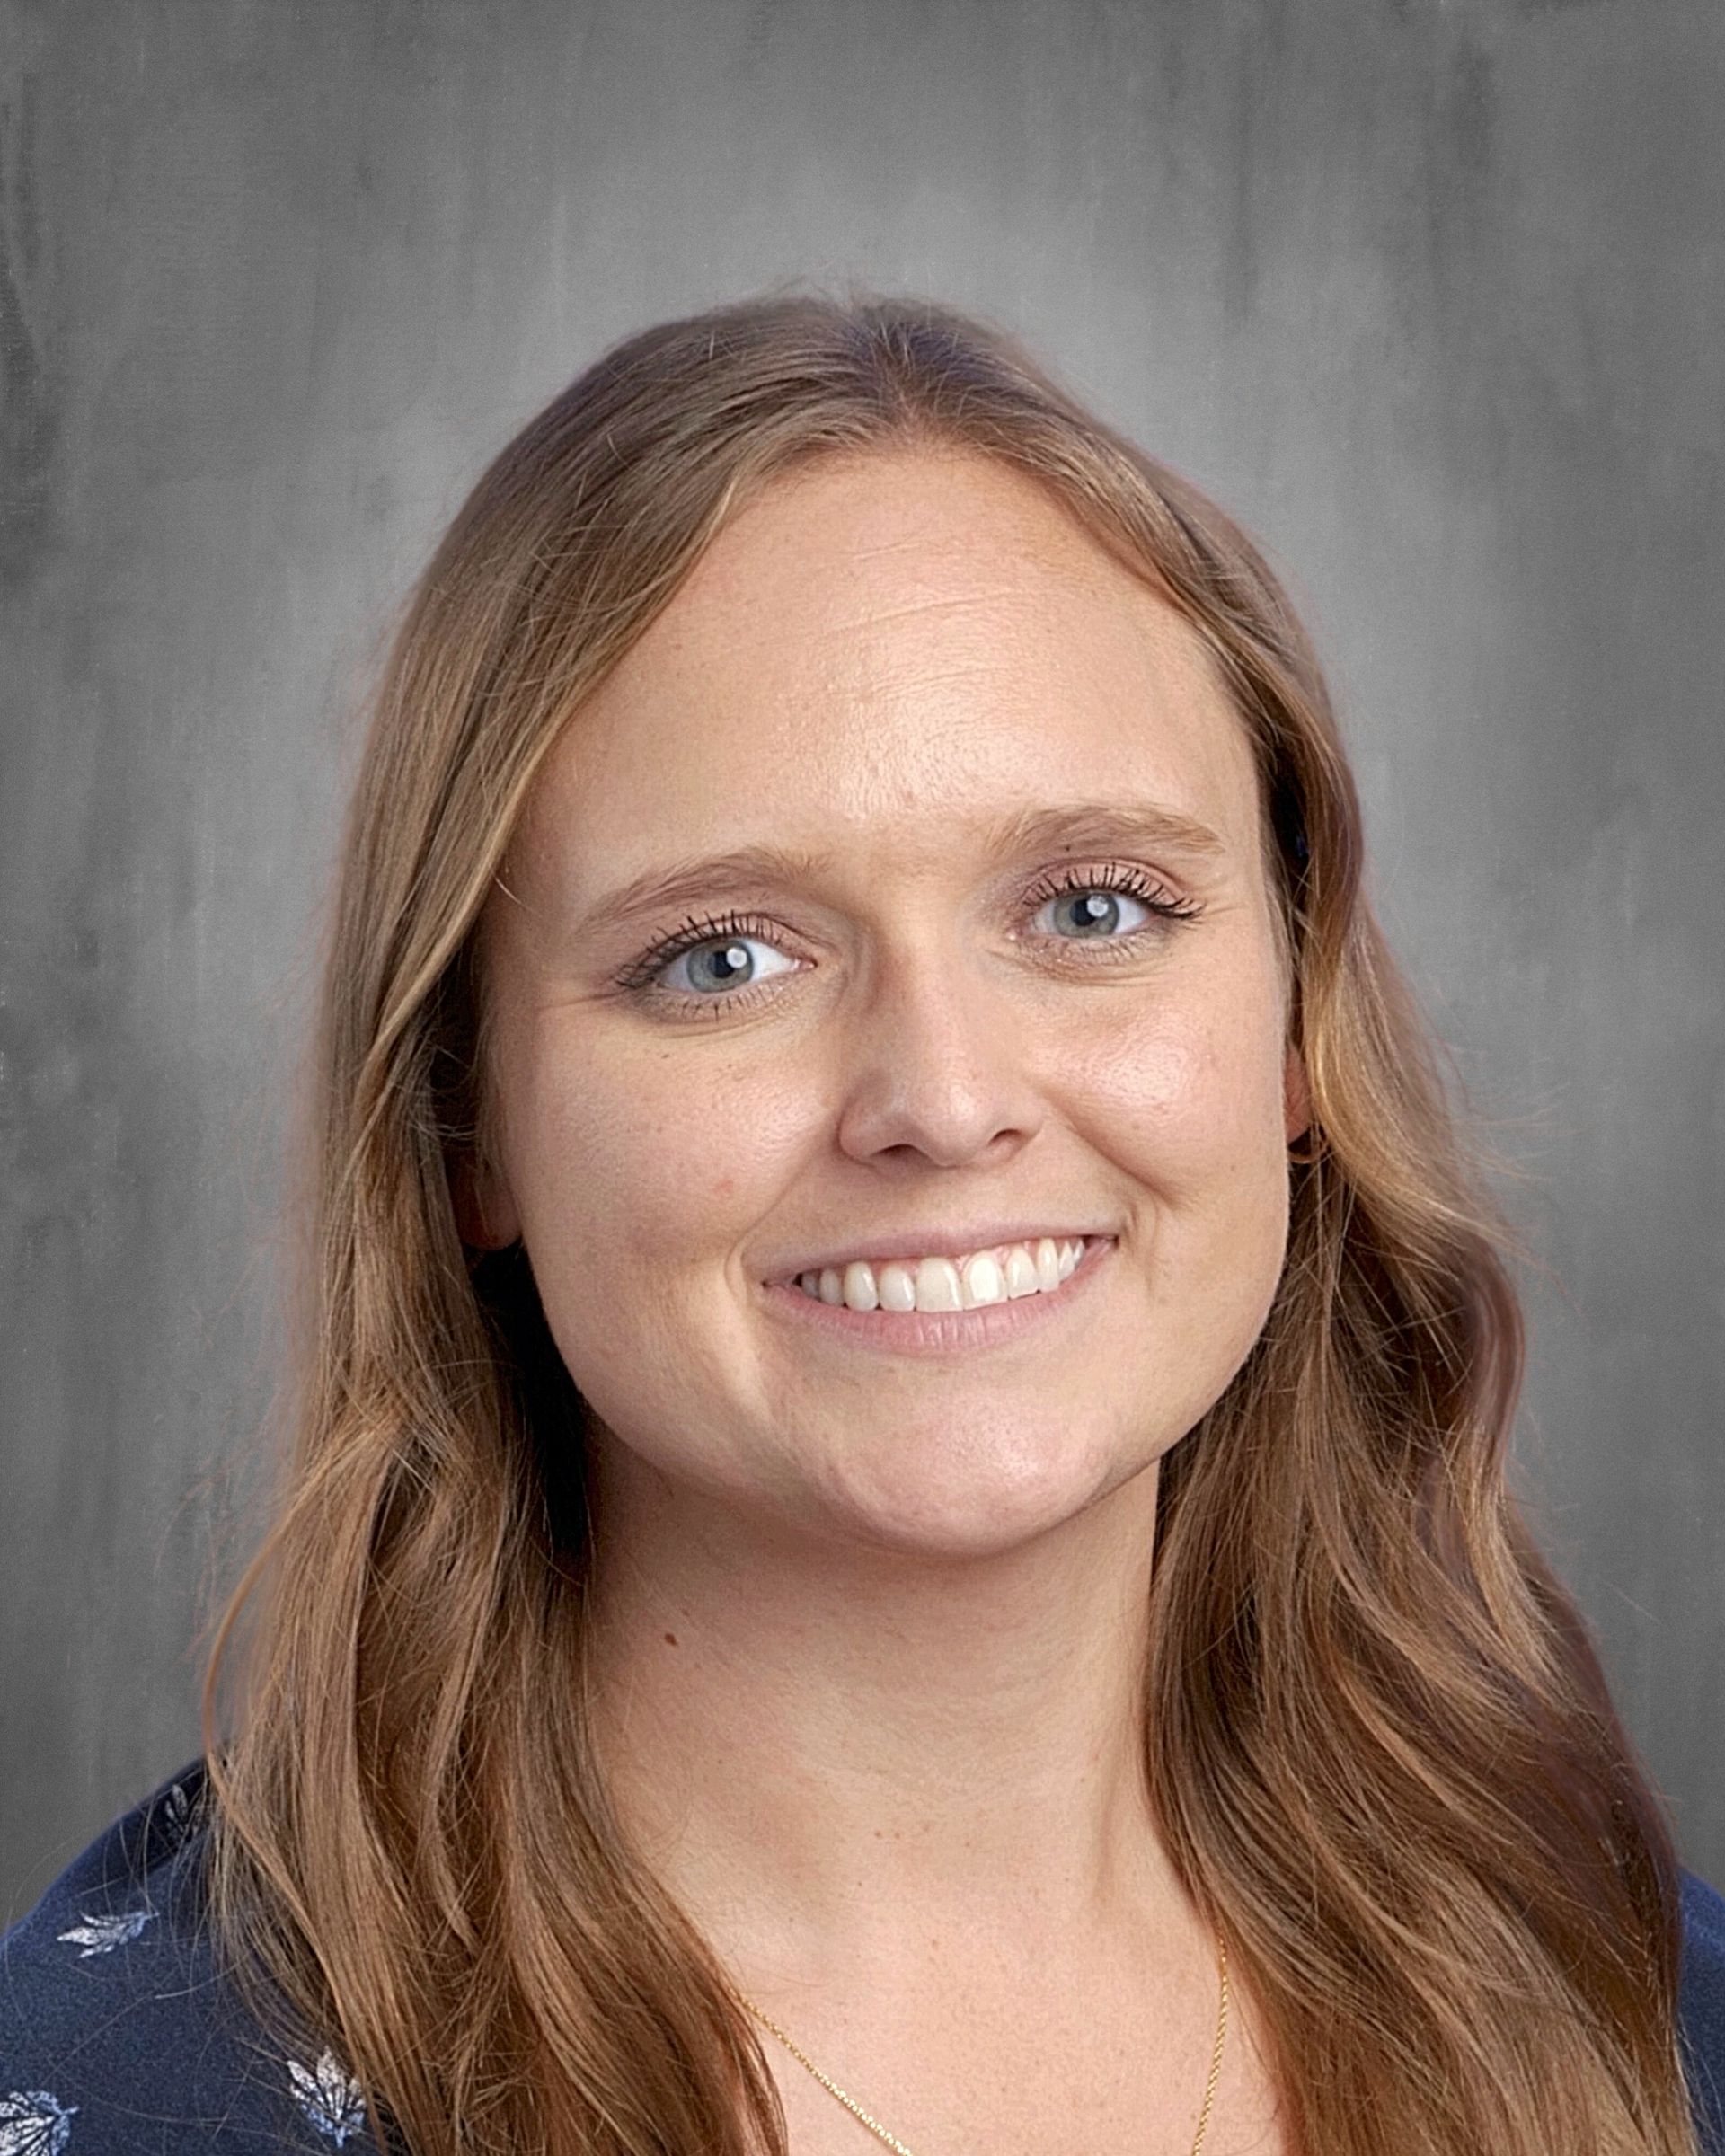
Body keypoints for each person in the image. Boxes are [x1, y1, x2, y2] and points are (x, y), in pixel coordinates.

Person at [3, 290, 1722, 2156]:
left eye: (1092, 910)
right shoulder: (129, 2099)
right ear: (470, 1126)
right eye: (723, 956)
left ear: (1294, 1027)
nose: (942, 1098)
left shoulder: (1642, 2017)